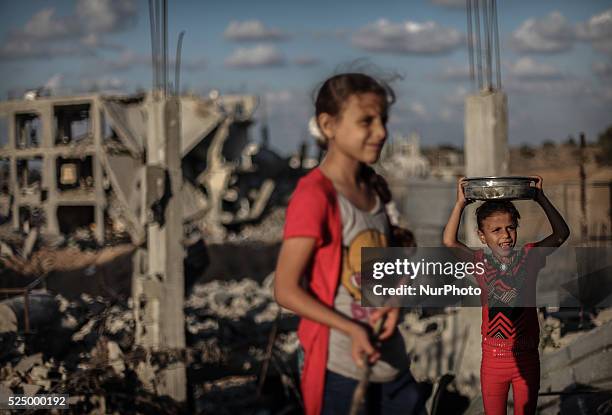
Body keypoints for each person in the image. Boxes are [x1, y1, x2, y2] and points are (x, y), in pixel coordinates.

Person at [274, 73, 422, 415]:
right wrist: (351, 328)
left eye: (383, 120)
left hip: (393, 367)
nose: (382, 132)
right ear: (328, 125)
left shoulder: (375, 190)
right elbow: (285, 289)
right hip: (340, 372)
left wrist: (396, 299)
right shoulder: (315, 196)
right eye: (366, 121)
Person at [442, 176, 570, 415]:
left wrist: (540, 198)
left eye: (510, 227)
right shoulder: (479, 262)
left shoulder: (530, 257)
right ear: (482, 236)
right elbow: (449, 241)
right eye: (496, 230)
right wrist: (460, 204)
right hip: (493, 361)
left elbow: (561, 233)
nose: (505, 235)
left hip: (528, 358)